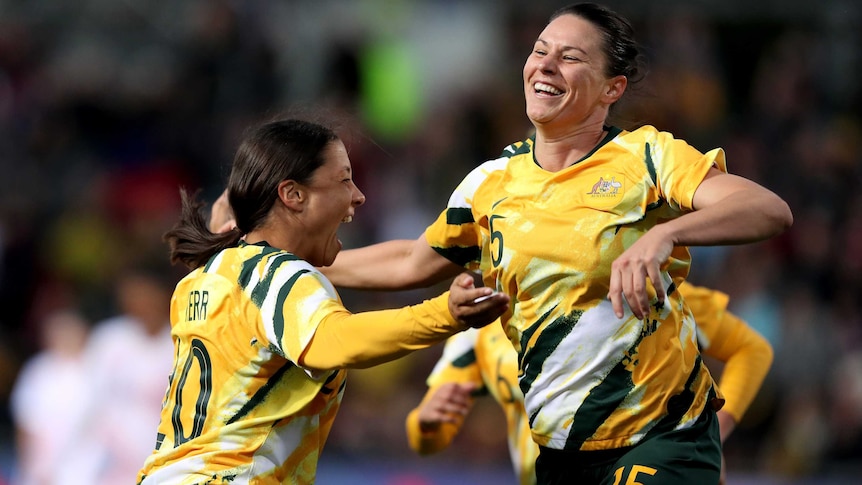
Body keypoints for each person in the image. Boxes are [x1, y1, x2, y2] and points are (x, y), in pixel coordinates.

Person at [321, 3, 793, 484]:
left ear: (613, 88)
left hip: (664, 437)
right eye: (539, 51)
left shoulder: (646, 155)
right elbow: (409, 262)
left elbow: (768, 209)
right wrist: (294, 260)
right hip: (560, 454)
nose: (545, 64)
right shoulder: (489, 183)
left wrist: (665, 233)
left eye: (570, 57)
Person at [135, 118, 509, 485]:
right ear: (293, 195)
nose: (358, 195)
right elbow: (336, 340)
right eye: (344, 179)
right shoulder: (280, 277)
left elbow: (407, 262)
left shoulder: (209, 275)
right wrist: (444, 313)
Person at [405, 282, 774, 485]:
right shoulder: (484, 323)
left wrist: (716, 432)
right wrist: (426, 422)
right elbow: (428, 437)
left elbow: (750, 349)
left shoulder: (648, 288)